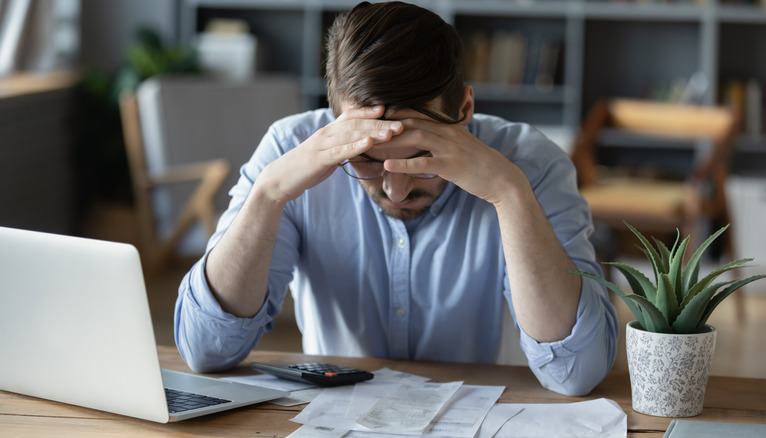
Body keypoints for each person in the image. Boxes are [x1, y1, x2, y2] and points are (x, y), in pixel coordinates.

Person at [174, 1, 618, 396]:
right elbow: (205, 349)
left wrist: (508, 193)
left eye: (423, 156)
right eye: (365, 160)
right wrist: (268, 195)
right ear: (334, 116)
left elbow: (575, 372)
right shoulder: (288, 150)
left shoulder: (531, 165)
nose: (396, 190)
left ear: (464, 110)